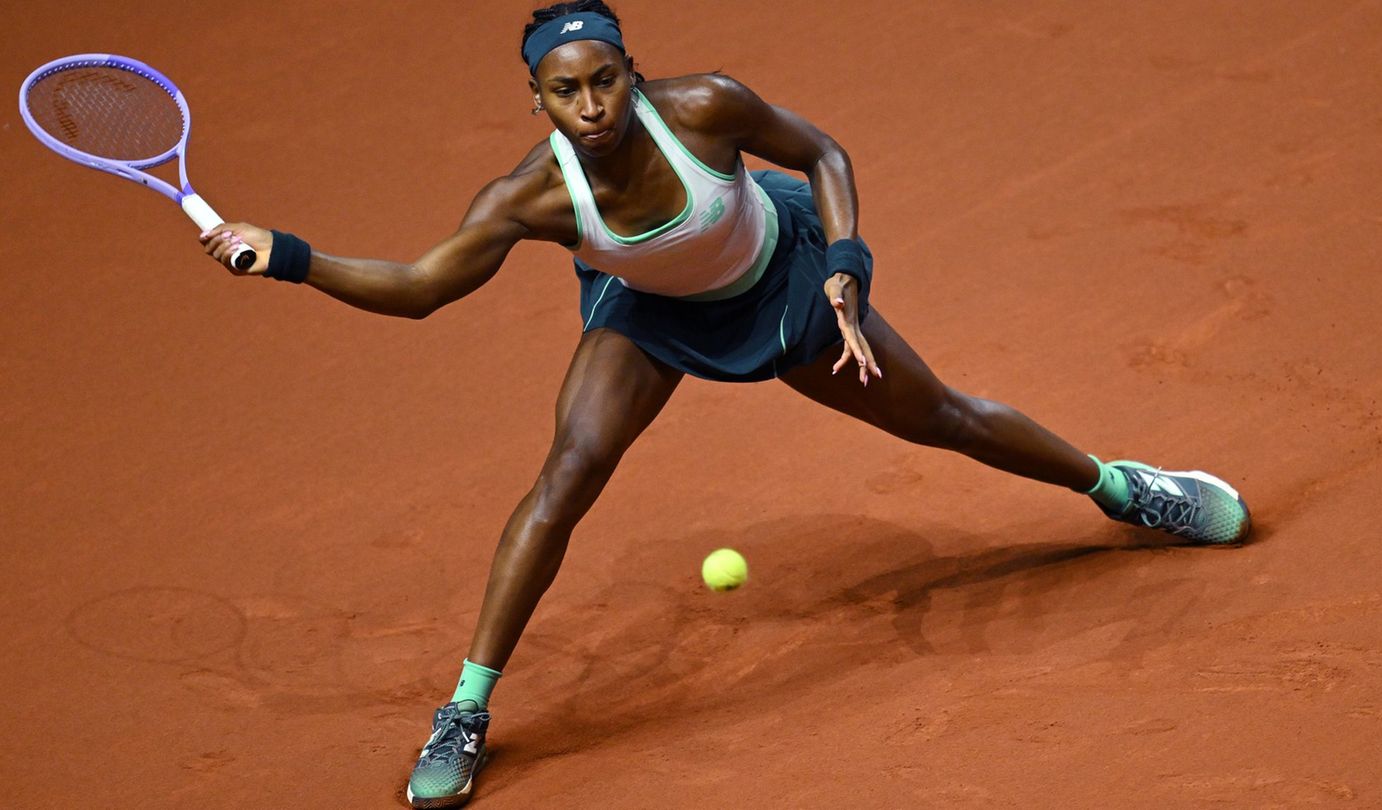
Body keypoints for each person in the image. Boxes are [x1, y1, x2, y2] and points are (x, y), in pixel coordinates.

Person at [199, 2, 1252, 806]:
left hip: (781, 277)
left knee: (943, 417)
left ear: (632, 72)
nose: (591, 106)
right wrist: (287, 255)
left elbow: (821, 154)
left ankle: (1123, 488)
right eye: (565, 92)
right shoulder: (531, 196)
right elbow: (423, 287)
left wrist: (846, 263)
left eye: (605, 80)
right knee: (566, 474)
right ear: (538, 102)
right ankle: (467, 708)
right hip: (651, 312)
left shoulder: (705, 109)